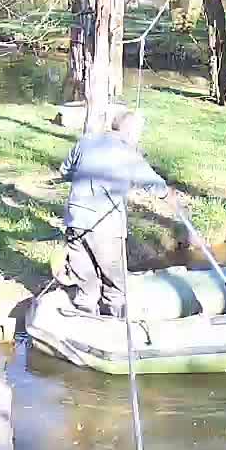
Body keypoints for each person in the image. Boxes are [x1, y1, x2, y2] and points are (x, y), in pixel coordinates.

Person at [58, 109, 178, 316]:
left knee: (85, 280)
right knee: (115, 284)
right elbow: (154, 184)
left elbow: (65, 171)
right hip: (105, 228)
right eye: (138, 134)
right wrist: (169, 196)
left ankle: (85, 314)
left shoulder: (86, 142)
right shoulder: (128, 155)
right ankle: (116, 320)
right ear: (131, 132)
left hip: (75, 221)